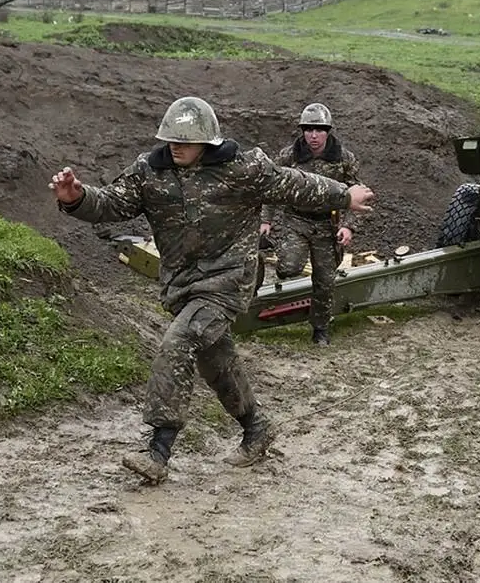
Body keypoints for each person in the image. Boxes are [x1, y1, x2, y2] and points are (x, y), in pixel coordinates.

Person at [49, 96, 375, 484]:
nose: (176, 146)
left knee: (179, 340)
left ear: (208, 141)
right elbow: (110, 204)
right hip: (182, 284)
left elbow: (292, 184)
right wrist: (76, 197)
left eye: (185, 140)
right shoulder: (149, 172)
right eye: (171, 139)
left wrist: (344, 195)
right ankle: (256, 427)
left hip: (228, 280)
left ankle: (158, 450)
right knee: (215, 361)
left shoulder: (242, 168)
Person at [259, 102, 362, 346]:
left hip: (327, 225)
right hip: (296, 220)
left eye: (319, 130)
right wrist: (266, 220)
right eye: (308, 130)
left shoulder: (345, 160)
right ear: (302, 131)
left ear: (328, 131)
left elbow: (360, 194)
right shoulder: (289, 156)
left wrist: (348, 225)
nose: (313, 136)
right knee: (288, 268)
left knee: (325, 281)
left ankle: (320, 329)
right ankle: (269, 257)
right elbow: (270, 188)